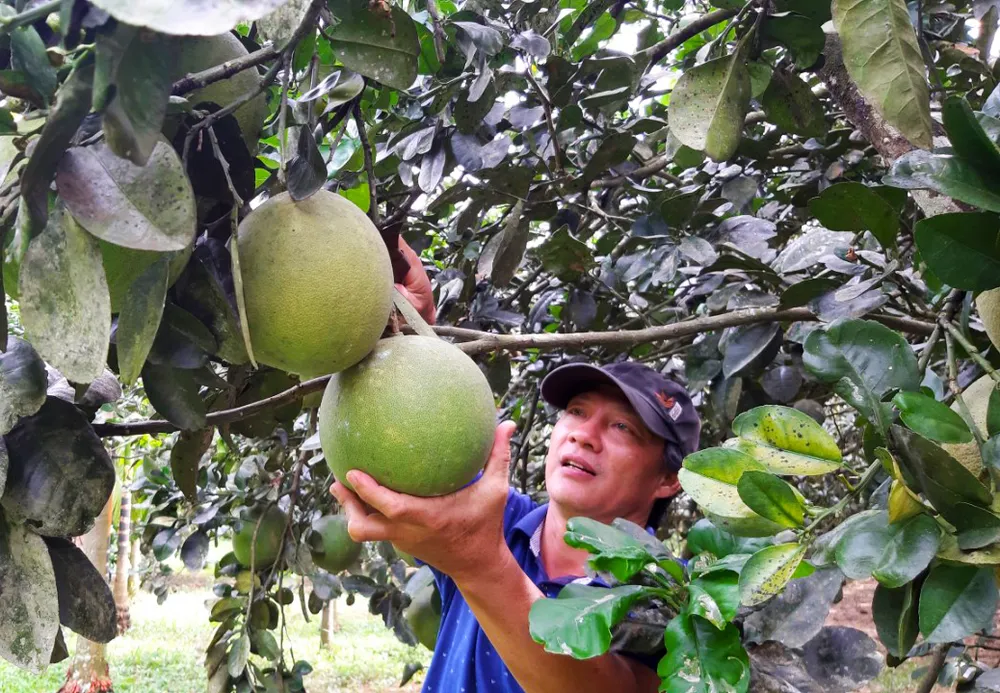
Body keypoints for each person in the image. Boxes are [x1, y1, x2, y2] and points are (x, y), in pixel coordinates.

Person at [331, 241, 700, 693]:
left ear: (668, 479)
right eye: (577, 411)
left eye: (622, 427)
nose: (584, 434)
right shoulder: (496, 519)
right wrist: (402, 328)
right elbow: (407, 441)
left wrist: (480, 563)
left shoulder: (676, 597)